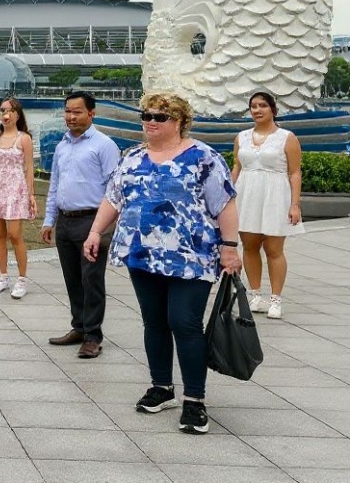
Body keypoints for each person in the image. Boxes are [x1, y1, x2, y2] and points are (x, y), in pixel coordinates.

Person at [84, 92, 241, 435]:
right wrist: (96, 231)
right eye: (146, 115)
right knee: (154, 322)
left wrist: (230, 247)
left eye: (160, 117)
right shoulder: (133, 156)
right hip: (142, 253)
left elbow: (224, 204)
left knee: (184, 322)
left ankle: (195, 401)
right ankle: (162, 387)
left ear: (180, 121)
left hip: (191, 256)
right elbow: (114, 198)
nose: (150, 122)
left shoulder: (203, 158)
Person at [40, 91, 121, 359]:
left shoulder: (104, 145)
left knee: (92, 279)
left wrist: (106, 226)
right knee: (73, 278)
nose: (71, 117)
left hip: (92, 220)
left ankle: (93, 336)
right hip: (66, 220)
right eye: (67, 111)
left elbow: (114, 187)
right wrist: (49, 219)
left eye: (77, 112)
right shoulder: (62, 146)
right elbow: (55, 185)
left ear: (91, 114)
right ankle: (79, 326)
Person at [231, 91, 303, 320]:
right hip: (246, 194)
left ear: (272, 109)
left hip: (275, 196)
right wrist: (227, 196)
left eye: (262, 105)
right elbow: (236, 167)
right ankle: (255, 295)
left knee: (273, 249)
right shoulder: (241, 136)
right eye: (253, 106)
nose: (257, 110)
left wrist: (294, 204)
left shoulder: (286, 137)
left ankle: (276, 299)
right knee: (249, 246)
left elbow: (294, 172)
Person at [0, 97, 37, 299]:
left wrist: (31, 195)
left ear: (18, 114)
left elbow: (29, 168)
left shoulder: (24, 139)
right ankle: (3, 276)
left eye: (10, 111)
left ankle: (21, 279)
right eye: (2, 110)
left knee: (15, 234)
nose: (5, 115)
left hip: (15, 191)